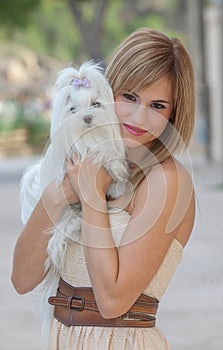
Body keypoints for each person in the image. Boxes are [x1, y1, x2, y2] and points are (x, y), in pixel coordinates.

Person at [11, 27, 196, 349]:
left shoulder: (166, 180)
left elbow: (112, 301)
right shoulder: (79, 168)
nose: (139, 116)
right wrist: (59, 195)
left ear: (174, 114)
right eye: (129, 97)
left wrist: (92, 196)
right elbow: (22, 280)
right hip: (63, 339)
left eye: (158, 105)